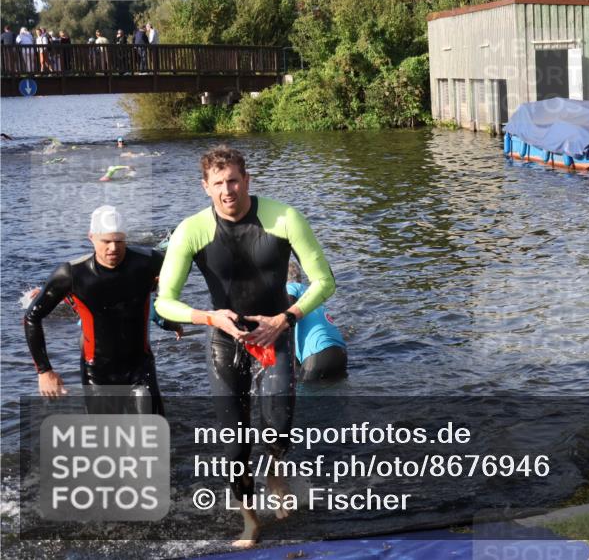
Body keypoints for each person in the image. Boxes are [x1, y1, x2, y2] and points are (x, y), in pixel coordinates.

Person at [156, 145, 335, 547]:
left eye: (234, 180)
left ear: (247, 180)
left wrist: (285, 318)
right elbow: (164, 301)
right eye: (218, 183)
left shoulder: (284, 218)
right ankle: (250, 521)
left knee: (278, 427)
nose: (228, 190)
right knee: (235, 445)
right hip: (225, 340)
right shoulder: (191, 230)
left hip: (273, 333)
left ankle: (275, 470)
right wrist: (208, 317)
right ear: (205, 187)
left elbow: (325, 281)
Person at [23, 205, 181, 415]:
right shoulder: (72, 274)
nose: (113, 248)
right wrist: (44, 371)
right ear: (91, 237)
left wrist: (171, 318)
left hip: (140, 368)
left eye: (119, 241)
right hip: (97, 374)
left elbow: (173, 283)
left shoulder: (148, 262)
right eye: (106, 241)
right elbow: (32, 317)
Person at [287, 260, 346, 381]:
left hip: (317, 354)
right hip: (340, 352)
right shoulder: (311, 293)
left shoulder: (290, 287)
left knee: (305, 392)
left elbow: (287, 321)